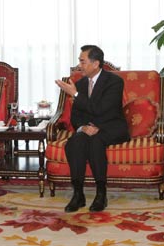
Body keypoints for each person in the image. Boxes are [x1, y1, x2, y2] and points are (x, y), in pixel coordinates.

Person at [55, 45, 129, 212]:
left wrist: (74, 95)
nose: (79, 65)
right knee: (75, 141)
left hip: (111, 127)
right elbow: (76, 116)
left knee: (96, 141)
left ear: (95, 64)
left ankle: (101, 194)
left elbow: (102, 109)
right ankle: (78, 194)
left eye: (82, 61)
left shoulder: (114, 82)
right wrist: (82, 127)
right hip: (88, 128)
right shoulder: (80, 84)